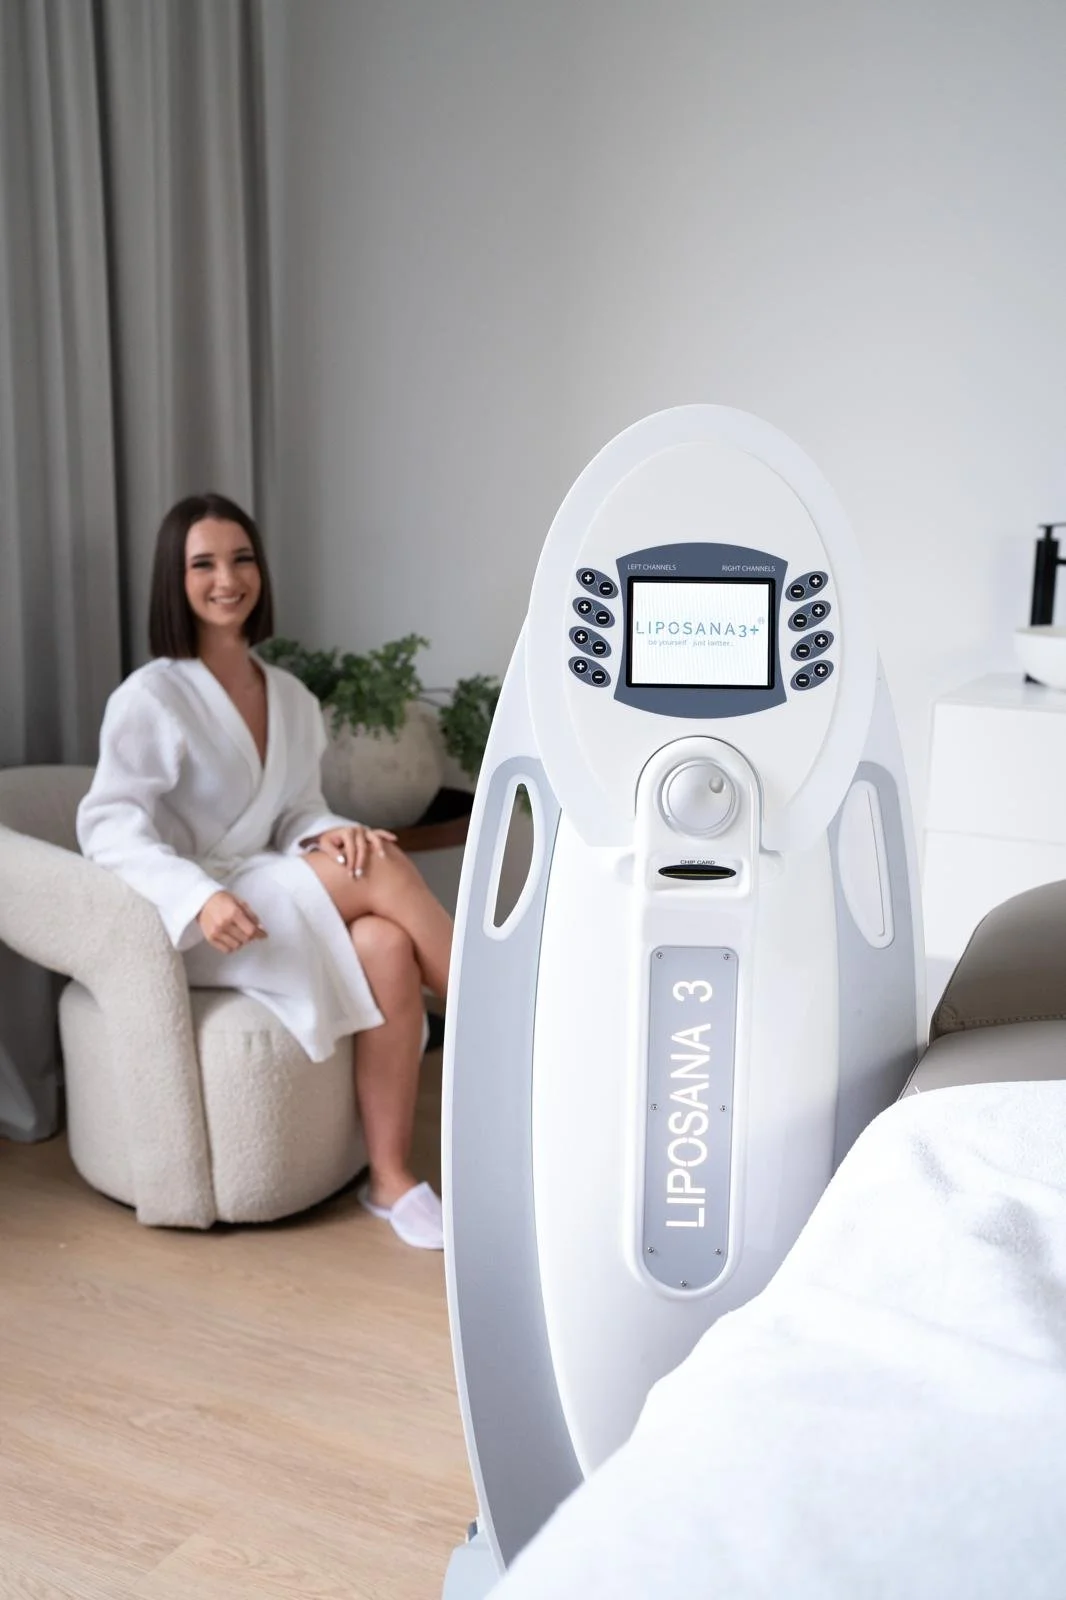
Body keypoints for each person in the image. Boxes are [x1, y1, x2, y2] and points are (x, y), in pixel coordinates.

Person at [77, 492, 454, 1249]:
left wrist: (332, 831)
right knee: (379, 870)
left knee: (385, 942)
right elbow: (106, 825)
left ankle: (390, 1179)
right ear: (173, 580)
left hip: (271, 882)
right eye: (203, 563)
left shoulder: (290, 695)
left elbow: (296, 815)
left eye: (241, 558)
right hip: (212, 919)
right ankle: (506, 1025)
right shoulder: (150, 696)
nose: (228, 578)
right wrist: (198, 895)